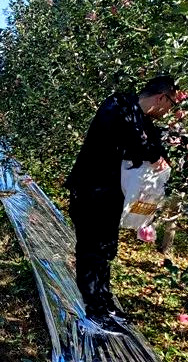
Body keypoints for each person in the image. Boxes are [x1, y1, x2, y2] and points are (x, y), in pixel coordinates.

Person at [65, 74, 176, 326]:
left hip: (112, 195)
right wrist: (153, 153)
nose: (169, 111)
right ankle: (93, 310)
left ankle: (104, 302)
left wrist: (158, 155)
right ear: (161, 97)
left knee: (105, 249)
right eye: (171, 104)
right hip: (91, 191)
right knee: (91, 250)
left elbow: (153, 147)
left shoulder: (143, 119)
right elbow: (135, 142)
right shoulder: (119, 106)